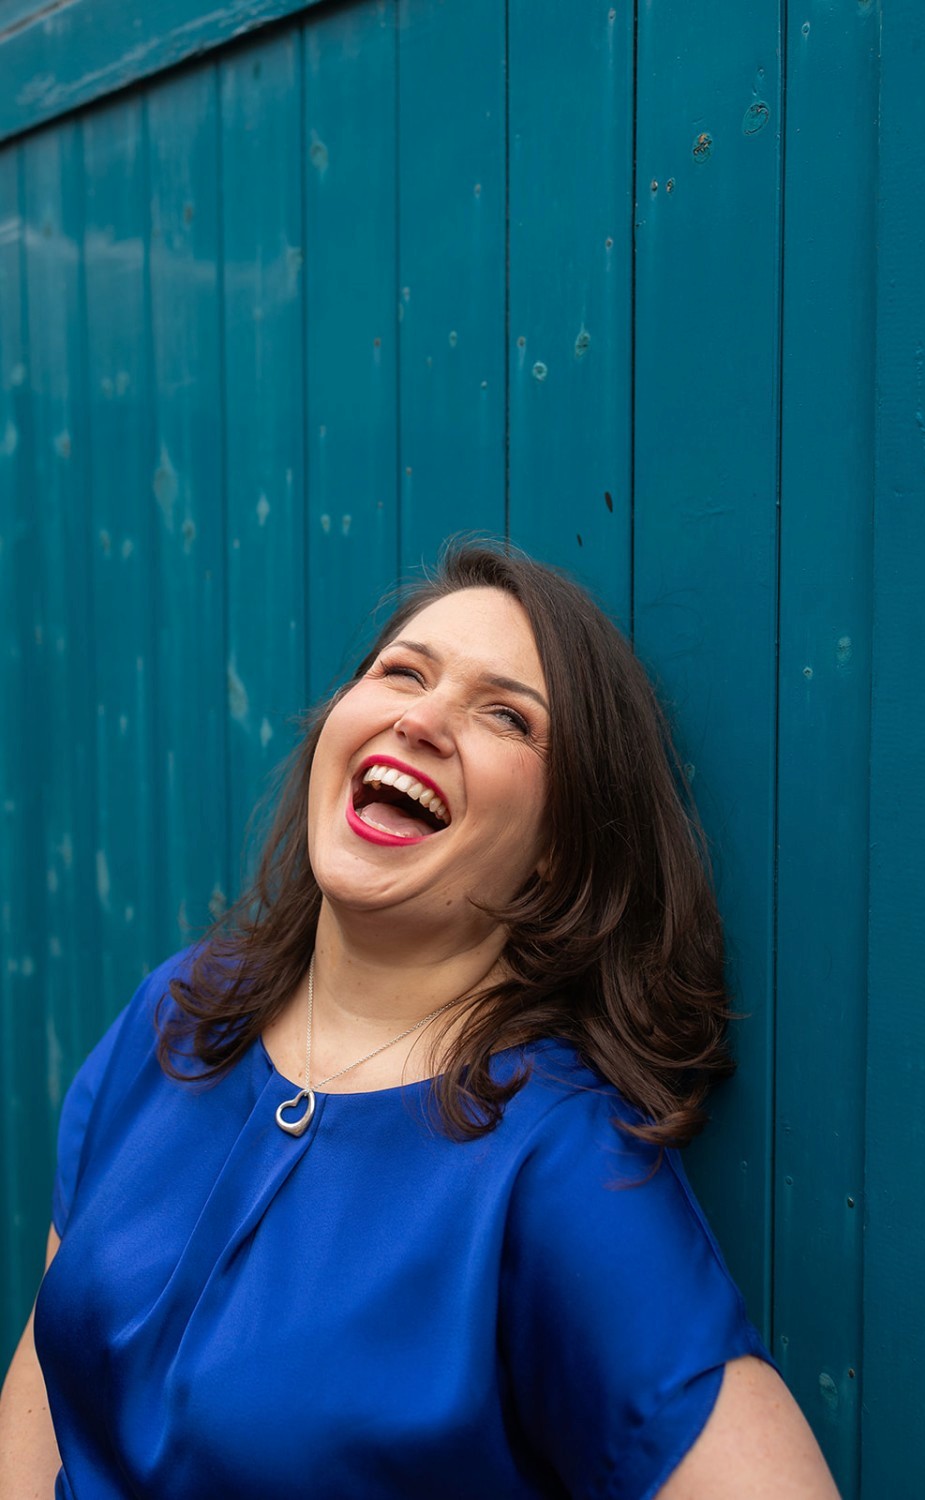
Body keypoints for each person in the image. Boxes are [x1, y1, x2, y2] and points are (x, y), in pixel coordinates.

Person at [0, 542, 839, 1498]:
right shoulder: (180, 1013)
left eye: (506, 717)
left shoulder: (560, 1165)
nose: (423, 718)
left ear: (562, 851)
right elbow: (43, 1372)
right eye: (402, 671)